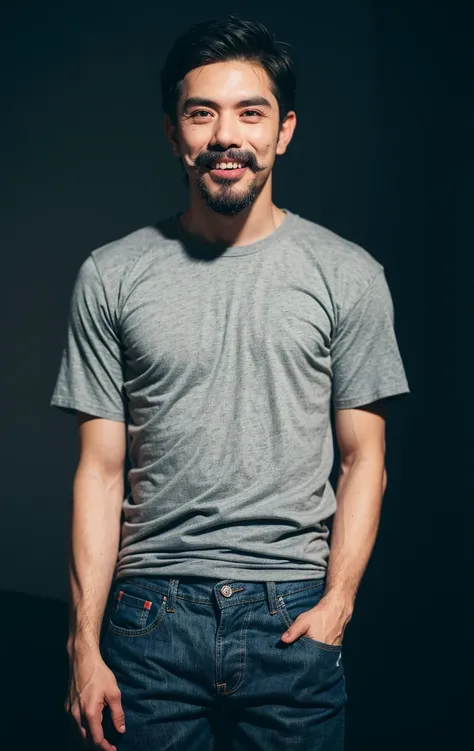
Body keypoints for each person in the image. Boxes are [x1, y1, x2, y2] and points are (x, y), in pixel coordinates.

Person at [51, 16, 410, 751]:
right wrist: (83, 647)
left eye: (251, 112)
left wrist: (338, 603)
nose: (226, 134)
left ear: (284, 132)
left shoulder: (348, 275)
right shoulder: (111, 275)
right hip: (149, 615)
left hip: (294, 614)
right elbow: (99, 469)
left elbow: (363, 457)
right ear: (174, 132)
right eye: (201, 112)